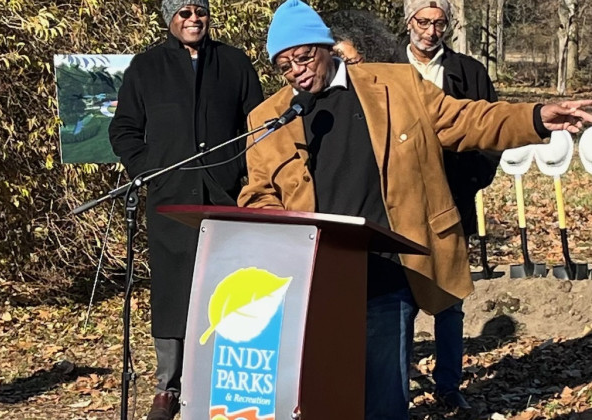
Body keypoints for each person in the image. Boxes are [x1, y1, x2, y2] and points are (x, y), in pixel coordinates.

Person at [237, 1, 592, 419]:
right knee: (326, 389)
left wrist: (534, 116)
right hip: (317, 275)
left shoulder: (397, 84)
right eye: (284, 65)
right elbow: (258, 193)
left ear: (326, 47)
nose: (296, 70)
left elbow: (467, 119)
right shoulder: (268, 117)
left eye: (302, 56)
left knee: (385, 395)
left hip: (388, 266)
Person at [107, 1, 264, 419]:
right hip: (171, 200)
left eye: (200, 10)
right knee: (174, 292)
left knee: (227, 290)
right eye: (183, 12)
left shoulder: (234, 63)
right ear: (169, 19)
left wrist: (242, 172)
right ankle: (167, 388)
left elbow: (258, 125)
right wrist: (151, 171)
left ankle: (221, 382)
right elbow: (122, 130)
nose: (193, 19)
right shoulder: (146, 67)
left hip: (225, 198)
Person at [404, 0, 499, 410]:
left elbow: (492, 129)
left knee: (450, 296)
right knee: (399, 300)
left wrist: (472, 179)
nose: (431, 30)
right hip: (399, 200)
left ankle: (448, 385)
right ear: (409, 23)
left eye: (439, 23)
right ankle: (395, 379)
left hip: (452, 198)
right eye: (423, 22)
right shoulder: (386, 72)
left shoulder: (470, 72)